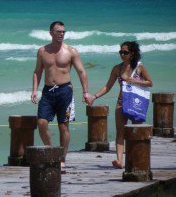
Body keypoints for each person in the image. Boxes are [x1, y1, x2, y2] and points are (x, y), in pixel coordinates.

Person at [31, 21, 91, 172]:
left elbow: (81, 71)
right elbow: (37, 71)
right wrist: (34, 90)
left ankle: (61, 158)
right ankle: (52, 151)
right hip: (48, 91)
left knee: (63, 126)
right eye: (58, 31)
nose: (61, 34)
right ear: (51, 33)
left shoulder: (71, 51)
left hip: (65, 91)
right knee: (42, 123)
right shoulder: (42, 51)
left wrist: (85, 92)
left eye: (63, 32)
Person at [88, 41, 153, 169]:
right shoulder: (117, 68)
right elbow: (108, 86)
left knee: (136, 132)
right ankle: (119, 160)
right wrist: (94, 96)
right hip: (121, 102)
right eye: (121, 52)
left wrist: (133, 80)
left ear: (132, 53)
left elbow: (150, 82)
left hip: (135, 103)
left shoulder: (139, 67)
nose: (122, 54)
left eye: (125, 52)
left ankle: (136, 158)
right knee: (120, 132)